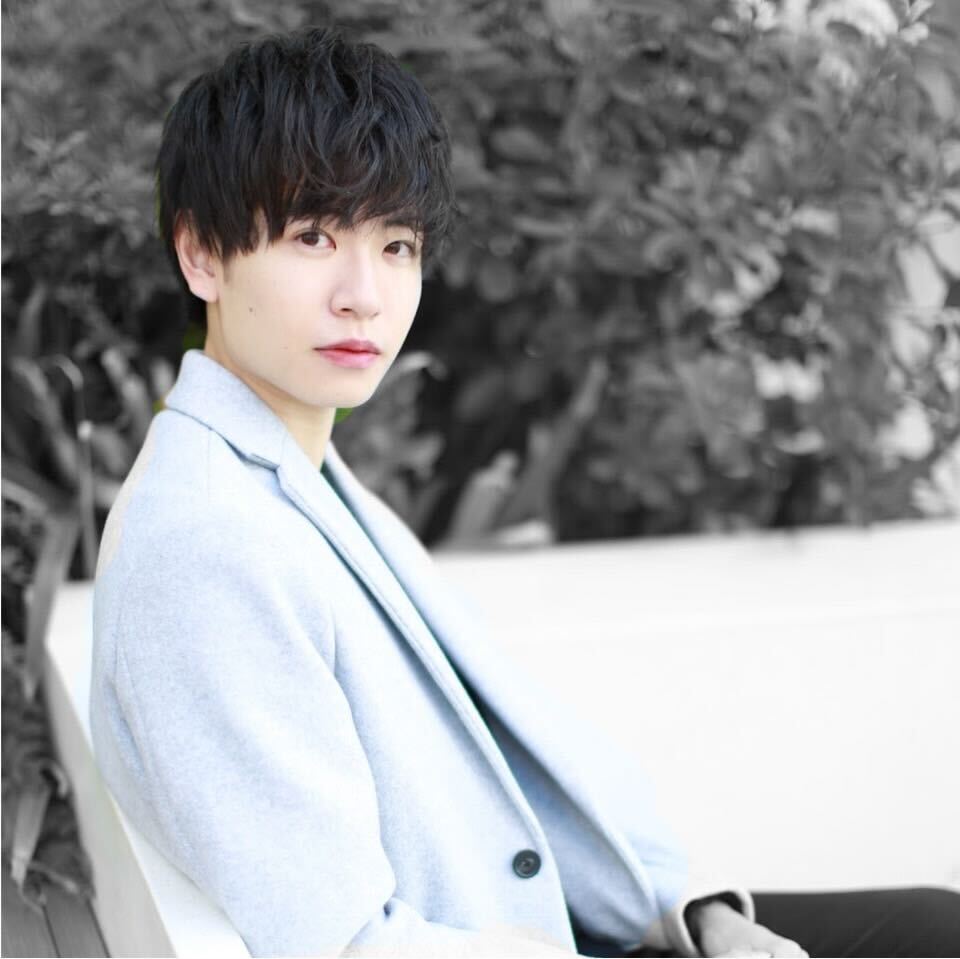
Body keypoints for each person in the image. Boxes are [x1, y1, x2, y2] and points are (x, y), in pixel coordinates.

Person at [89, 25, 960, 959]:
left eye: (396, 245)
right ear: (202, 255)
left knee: (932, 922)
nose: (364, 294)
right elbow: (342, 943)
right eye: (313, 237)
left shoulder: (290, 474)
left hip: (540, 921)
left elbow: (508, 777)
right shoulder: (208, 543)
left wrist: (697, 916)